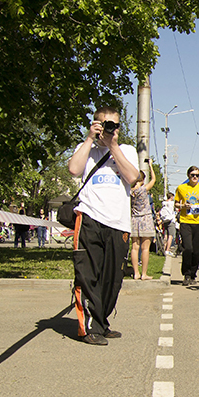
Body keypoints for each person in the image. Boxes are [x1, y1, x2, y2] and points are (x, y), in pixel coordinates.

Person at [66, 106, 140, 345]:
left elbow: (133, 178)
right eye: (105, 124)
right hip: (89, 218)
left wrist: (113, 146)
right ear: (95, 124)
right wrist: (90, 139)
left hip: (118, 223)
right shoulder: (85, 148)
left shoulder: (126, 150)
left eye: (115, 125)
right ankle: (89, 328)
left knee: (112, 279)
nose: (110, 129)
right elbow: (74, 170)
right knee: (88, 275)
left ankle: (102, 321)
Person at [175, 165, 199, 286]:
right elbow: (176, 204)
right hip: (185, 221)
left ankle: (193, 274)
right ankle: (186, 273)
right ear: (188, 176)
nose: (195, 177)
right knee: (188, 248)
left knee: (197, 251)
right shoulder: (181, 188)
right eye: (192, 175)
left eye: (197, 175)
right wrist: (182, 206)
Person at [129, 162, 157, 281]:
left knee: (135, 247)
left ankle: (136, 273)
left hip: (134, 220)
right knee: (145, 248)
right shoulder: (143, 189)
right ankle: (144, 273)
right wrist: (150, 166)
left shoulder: (130, 191)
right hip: (145, 219)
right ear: (142, 179)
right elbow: (154, 180)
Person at [159, 192, 176, 256]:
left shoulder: (164, 203)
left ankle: (163, 247)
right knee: (170, 236)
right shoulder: (171, 203)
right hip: (171, 220)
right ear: (171, 197)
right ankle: (167, 249)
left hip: (165, 220)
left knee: (165, 235)